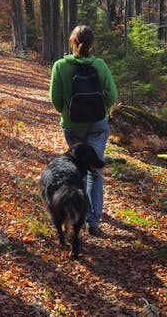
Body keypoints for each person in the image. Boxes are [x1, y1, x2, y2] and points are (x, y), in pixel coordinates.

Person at [49, 25, 118, 237]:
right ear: (92, 44)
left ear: (72, 42)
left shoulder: (61, 66)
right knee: (95, 171)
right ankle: (93, 221)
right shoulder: (100, 65)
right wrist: (100, 111)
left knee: (79, 169)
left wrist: (69, 113)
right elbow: (112, 95)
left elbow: (56, 99)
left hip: (73, 126)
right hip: (98, 124)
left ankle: (75, 212)